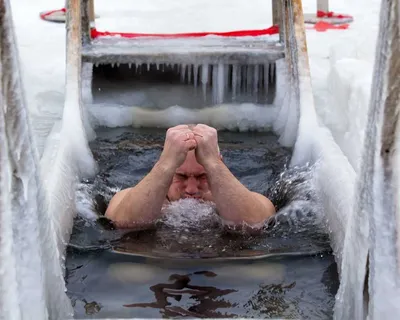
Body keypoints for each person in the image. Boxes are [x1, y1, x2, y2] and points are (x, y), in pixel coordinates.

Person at [105, 124, 276, 229]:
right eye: (181, 176)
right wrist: (166, 163)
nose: (192, 189)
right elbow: (122, 223)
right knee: (128, 273)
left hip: (216, 270)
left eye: (202, 176)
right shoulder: (130, 198)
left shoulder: (241, 200)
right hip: (161, 267)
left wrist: (213, 163)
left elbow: (256, 223)